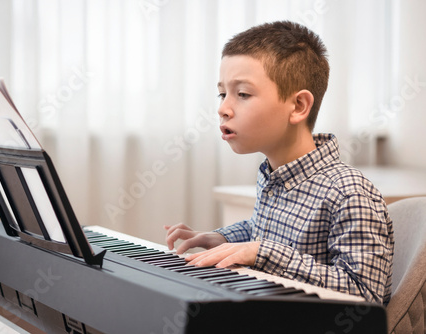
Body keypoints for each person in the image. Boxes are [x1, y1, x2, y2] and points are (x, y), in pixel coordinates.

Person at [164, 21, 394, 304]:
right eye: (222, 93)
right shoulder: (272, 174)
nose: (223, 108)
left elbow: (365, 294)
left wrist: (263, 253)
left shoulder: (350, 192)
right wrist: (221, 239)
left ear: (298, 106)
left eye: (243, 94)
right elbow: (267, 230)